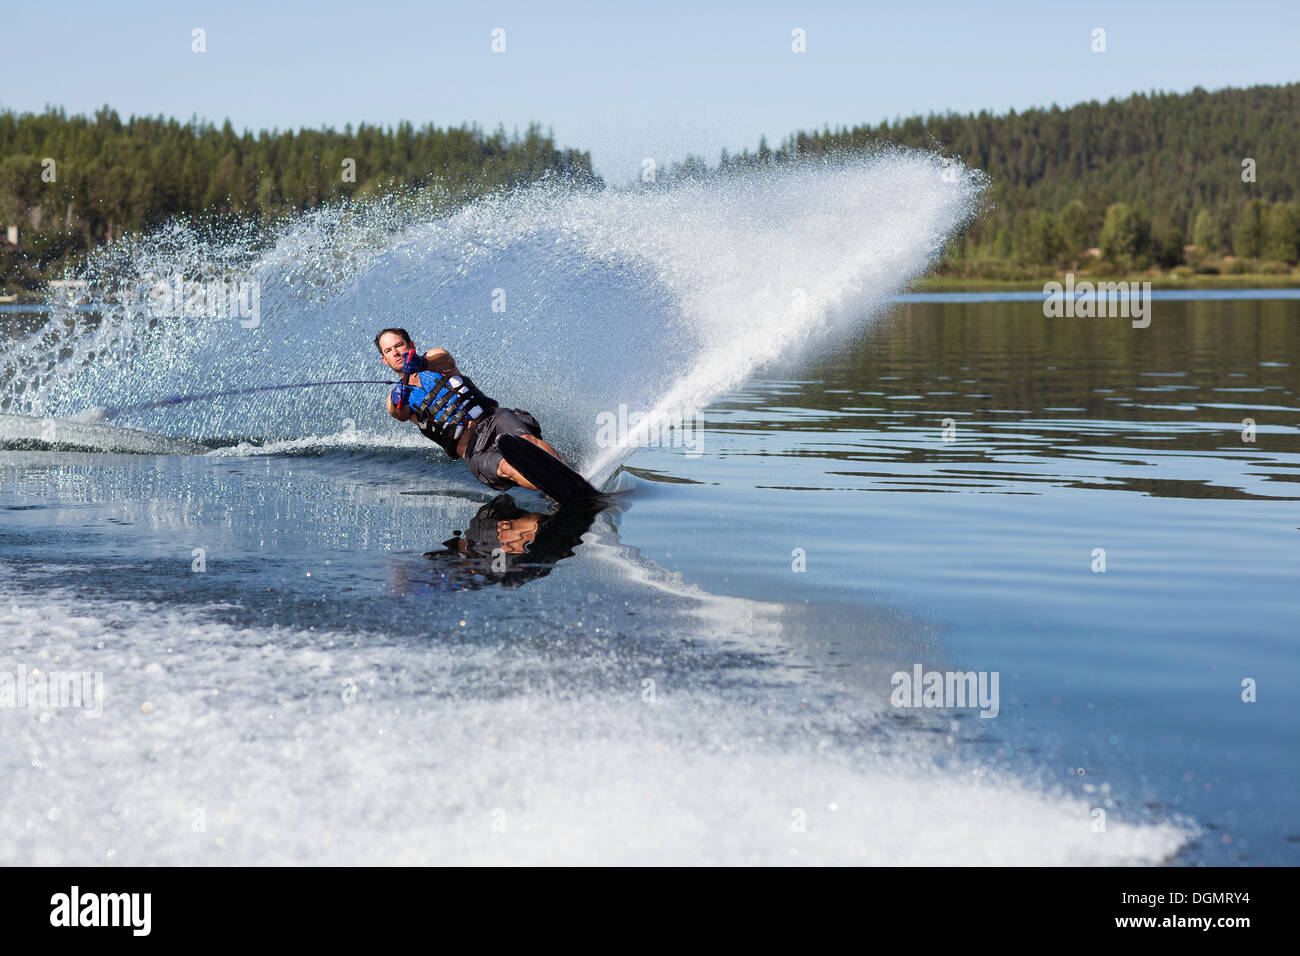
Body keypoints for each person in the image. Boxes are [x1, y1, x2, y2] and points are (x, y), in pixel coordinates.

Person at [375, 327, 571, 493]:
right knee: (507, 468)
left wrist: (422, 363)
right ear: (385, 359)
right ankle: (559, 491)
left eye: (399, 345)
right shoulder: (396, 398)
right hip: (473, 451)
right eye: (388, 350)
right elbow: (398, 414)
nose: (395, 352)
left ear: (412, 345)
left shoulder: (433, 358)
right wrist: (398, 400)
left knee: (526, 441)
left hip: (493, 420)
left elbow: (445, 360)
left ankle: (569, 476)